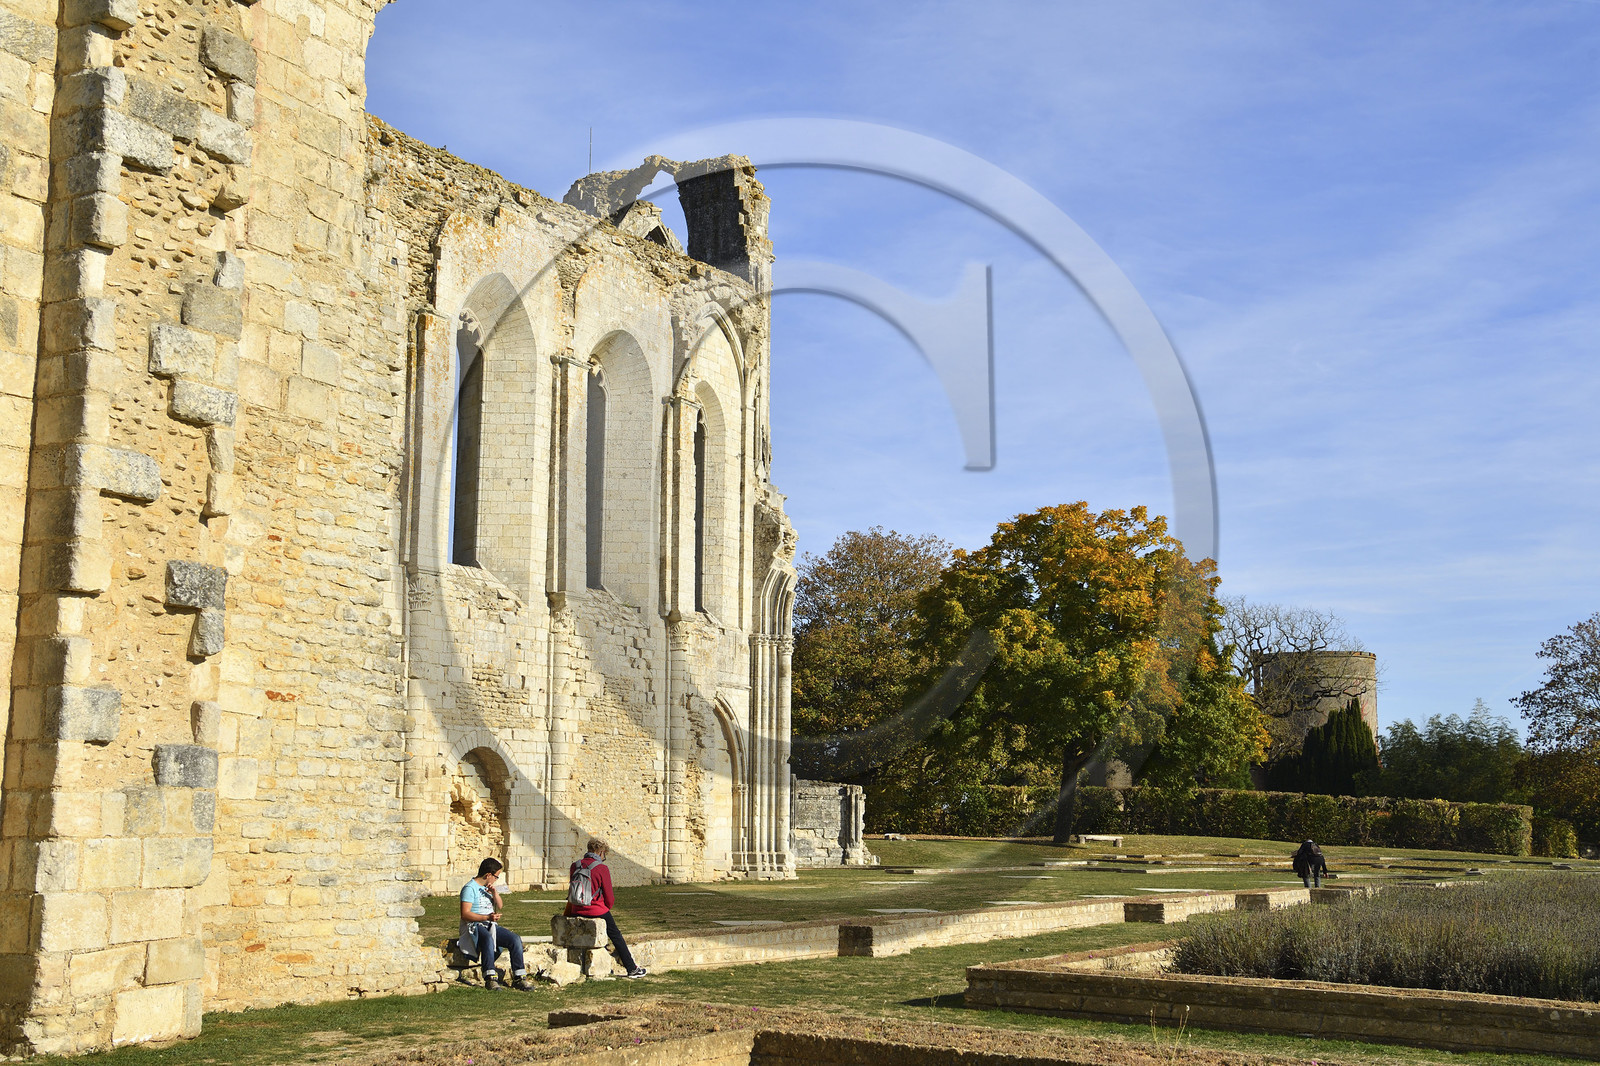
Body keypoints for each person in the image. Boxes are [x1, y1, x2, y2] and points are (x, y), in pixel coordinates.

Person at [567, 837, 647, 979]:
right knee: (616, 936)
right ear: (601, 852)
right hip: (595, 909)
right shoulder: (602, 868)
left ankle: (602, 965)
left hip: (576, 909)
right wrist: (606, 907)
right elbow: (609, 897)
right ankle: (632, 968)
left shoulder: (575, 865)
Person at [459, 857, 532, 991]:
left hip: (490, 924)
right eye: (496, 877)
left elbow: (500, 905)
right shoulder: (469, 888)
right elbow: (465, 914)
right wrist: (487, 917)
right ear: (488, 875)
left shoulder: (488, 888)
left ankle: (519, 976)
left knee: (514, 939)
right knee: (487, 938)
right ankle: (490, 977)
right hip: (475, 925)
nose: (496, 879)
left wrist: (494, 892)